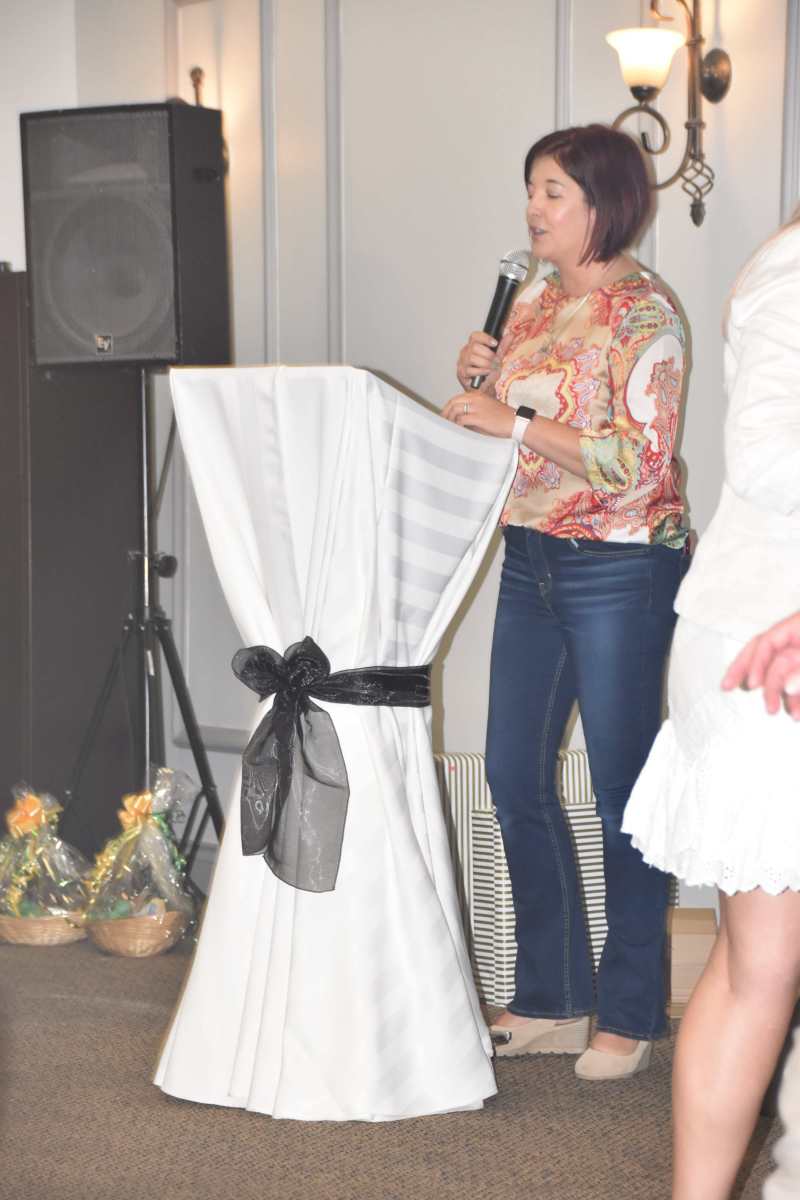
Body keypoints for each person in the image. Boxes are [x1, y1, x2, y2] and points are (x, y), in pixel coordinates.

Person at [442, 123, 690, 1080]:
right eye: (531, 189)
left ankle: (629, 1012)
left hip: (621, 565)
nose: (533, 208)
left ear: (604, 204)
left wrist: (514, 418)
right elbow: (510, 430)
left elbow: (641, 463)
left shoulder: (645, 312)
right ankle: (549, 995)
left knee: (625, 789)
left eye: (553, 191)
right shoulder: (535, 301)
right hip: (533, 556)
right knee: (513, 774)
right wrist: (481, 384)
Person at [622, 217, 800, 1198]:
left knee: (754, 964)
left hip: (757, 634)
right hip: (767, 648)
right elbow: (770, 457)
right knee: (758, 966)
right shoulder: (794, 268)